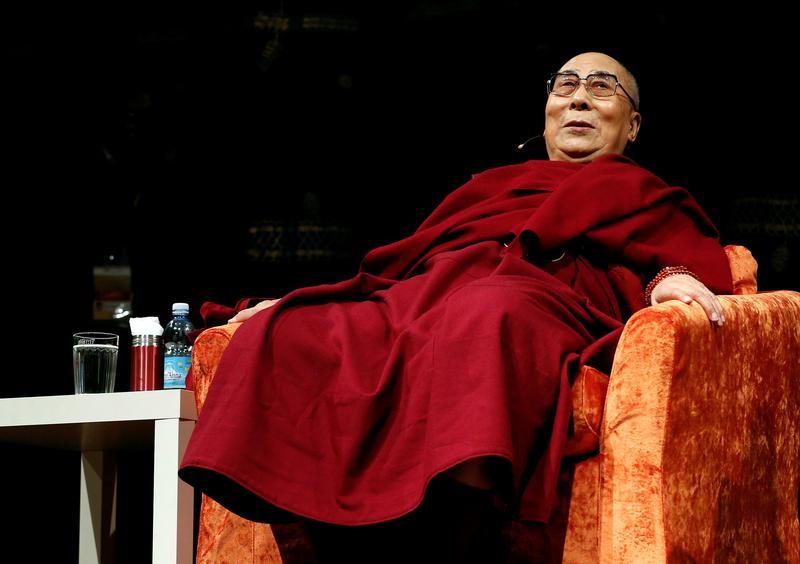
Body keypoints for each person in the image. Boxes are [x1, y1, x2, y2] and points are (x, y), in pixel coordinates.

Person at [179, 52, 732, 562]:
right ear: (546, 113)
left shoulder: (646, 193)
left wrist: (668, 280)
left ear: (632, 125)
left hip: (546, 297)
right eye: (565, 86)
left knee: (485, 313)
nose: (579, 98)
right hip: (441, 293)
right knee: (295, 330)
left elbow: (684, 255)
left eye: (602, 87)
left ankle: (453, 542)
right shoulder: (493, 187)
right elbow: (409, 264)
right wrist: (321, 300)